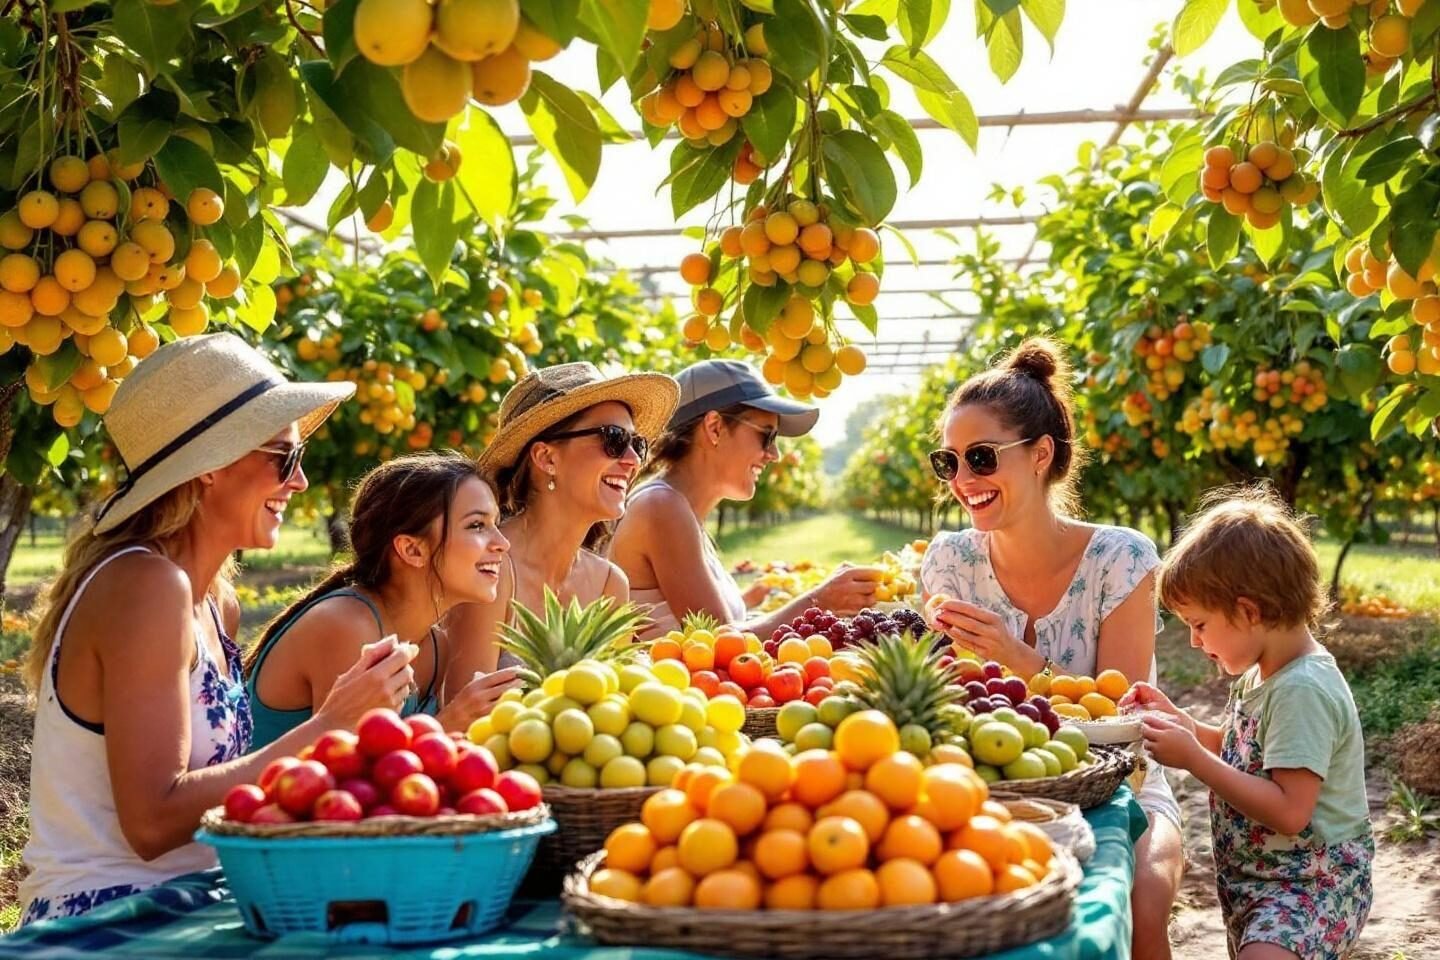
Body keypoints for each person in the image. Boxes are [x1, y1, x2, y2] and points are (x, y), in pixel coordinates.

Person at [18, 334, 414, 925]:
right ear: (210, 467)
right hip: (109, 920)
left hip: (197, 902)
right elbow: (153, 822)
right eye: (284, 456)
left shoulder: (215, 600)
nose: (299, 481)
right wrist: (329, 725)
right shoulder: (148, 588)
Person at [918, 337, 1184, 959]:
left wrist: (1023, 661)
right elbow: (949, 704)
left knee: (1142, 901)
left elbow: (1122, 715)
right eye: (948, 462)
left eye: (981, 458)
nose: (962, 480)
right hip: (995, 778)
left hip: (1122, 783)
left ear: (1040, 455)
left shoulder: (1121, 558)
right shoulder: (950, 561)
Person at [1125, 487, 1373, 960]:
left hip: (1310, 884)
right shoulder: (1263, 673)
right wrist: (1181, 722)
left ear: (1248, 611)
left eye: (1198, 624)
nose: (1195, 642)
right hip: (1260, 880)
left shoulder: (1302, 689)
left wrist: (1193, 759)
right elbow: (1244, 752)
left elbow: (1289, 810)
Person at [244, 452, 521, 746]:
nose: (502, 543)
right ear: (412, 550)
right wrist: (451, 721)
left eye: (496, 523)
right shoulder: (347, 626)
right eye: (477, 525)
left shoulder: (434, 647)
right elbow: (349, 773)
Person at [609, 359, 882, 637]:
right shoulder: (661, 508)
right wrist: (820, 600)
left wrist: (750, 598)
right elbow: (722, 642)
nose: (774, 454)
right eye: (767, 436)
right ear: (714, 427)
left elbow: (699, 619)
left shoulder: (681, 510)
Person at [443, 362, 680, 680]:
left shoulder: (610, 583)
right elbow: (466, 713)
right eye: (613, 439)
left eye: (637, 444)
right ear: (546, 458)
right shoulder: (490, 568)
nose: (634, 460)